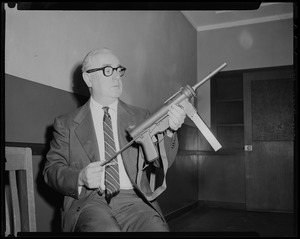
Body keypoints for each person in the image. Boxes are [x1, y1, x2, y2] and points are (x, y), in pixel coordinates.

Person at [43, 48, 186, 232]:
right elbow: (51, 170)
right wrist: (80, 177)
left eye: (119, 70)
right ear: (88, 79)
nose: (117, 76)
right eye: (107, 70)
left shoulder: (141, 116)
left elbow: (159, 161)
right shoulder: (66, 124)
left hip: (134, 201)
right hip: (89, 202)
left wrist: (169, 131)